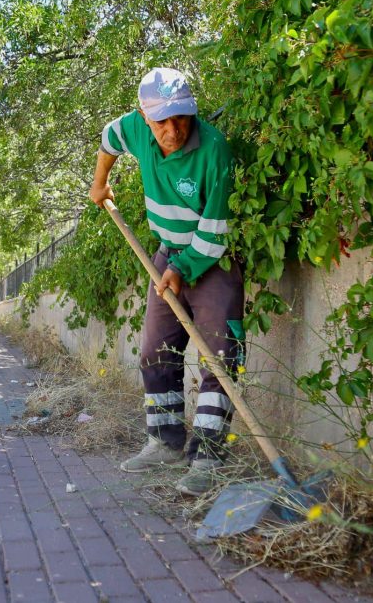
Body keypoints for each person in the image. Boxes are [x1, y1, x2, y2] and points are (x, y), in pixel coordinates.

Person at [89, 67, 245, 496]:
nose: (172, 130)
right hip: (166, 254)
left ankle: (209, 457)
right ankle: (165, 442)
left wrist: (183, 269)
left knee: (221, 357)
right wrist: (99, 183)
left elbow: (216, 230)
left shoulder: (214, 150)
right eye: (161, 122)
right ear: (144, 116)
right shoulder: (134, 130)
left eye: (180, 118)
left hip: (212, 258)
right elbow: (108, 139)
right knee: (155, 352)